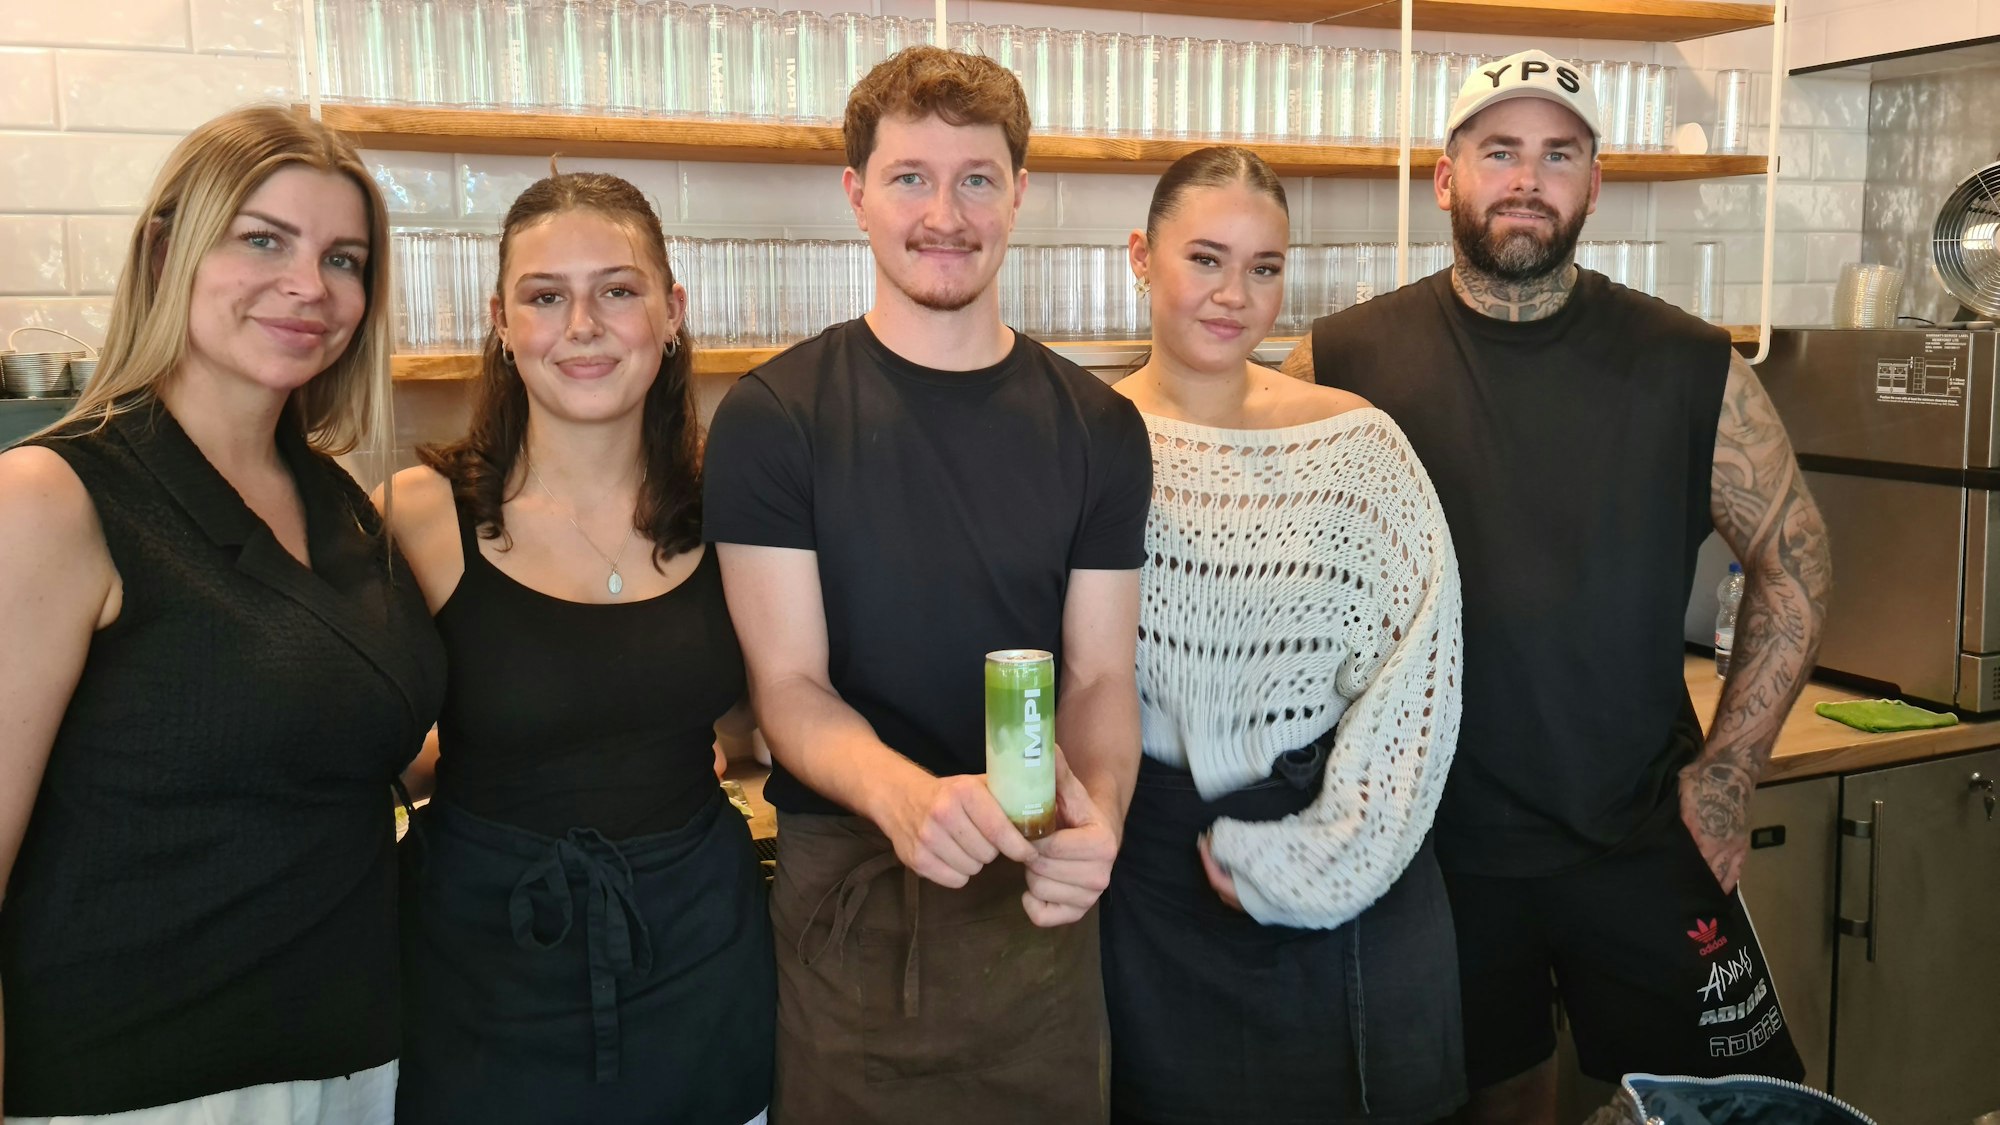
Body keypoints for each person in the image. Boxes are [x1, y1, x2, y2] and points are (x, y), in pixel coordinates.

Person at [1284, 50, 1832, 1124]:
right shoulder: (1345, 359)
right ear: (1445, 179)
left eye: (1557, 155)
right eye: (1499, 152)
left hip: (1636, 830)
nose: (1526, 179)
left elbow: (1795, 566)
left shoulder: (1687, 363)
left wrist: (1727, 775)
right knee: (1494, 1103)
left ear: (1591, 183)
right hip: (1432, 847)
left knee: (1732, 1110)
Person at [702, 46, 1151, 1123]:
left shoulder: (1098, 428)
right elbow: (789, 688)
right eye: (909, 178)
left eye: (975, 179)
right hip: (850, 911)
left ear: (1019, 195)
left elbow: (1098, 677)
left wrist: (1102, 826)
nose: (942, 213)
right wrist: (909, 802)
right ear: (854, 194)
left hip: (1037, 915)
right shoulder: (773, 420)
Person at [0, 106, 445, 1122]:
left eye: (343, 257)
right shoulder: (52, 500)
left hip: (355, 1063)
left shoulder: (333, 498)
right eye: (263, 240)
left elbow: (325, 747)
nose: (309, 286)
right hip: (148, 1088)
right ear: (167, 251)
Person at [380, 172, 773, 1125]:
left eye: (619, 289)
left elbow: (762, 717)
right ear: (502, 322)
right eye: (545, 295)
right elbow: (366, 737)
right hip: (484, 971)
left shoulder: (738, 512)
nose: (582, 324)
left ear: (673, 313)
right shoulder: (418, 518)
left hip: (700, 952)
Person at [1102, 145, 1466, 1125]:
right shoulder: (1082, 438)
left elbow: (1418, 684)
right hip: (1150, 871)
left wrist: (1319, 858)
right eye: (1205, 259)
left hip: (1347, 858)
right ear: (1140, 257)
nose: (1234, 295)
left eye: (1263, 268)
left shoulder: (1355, 445)